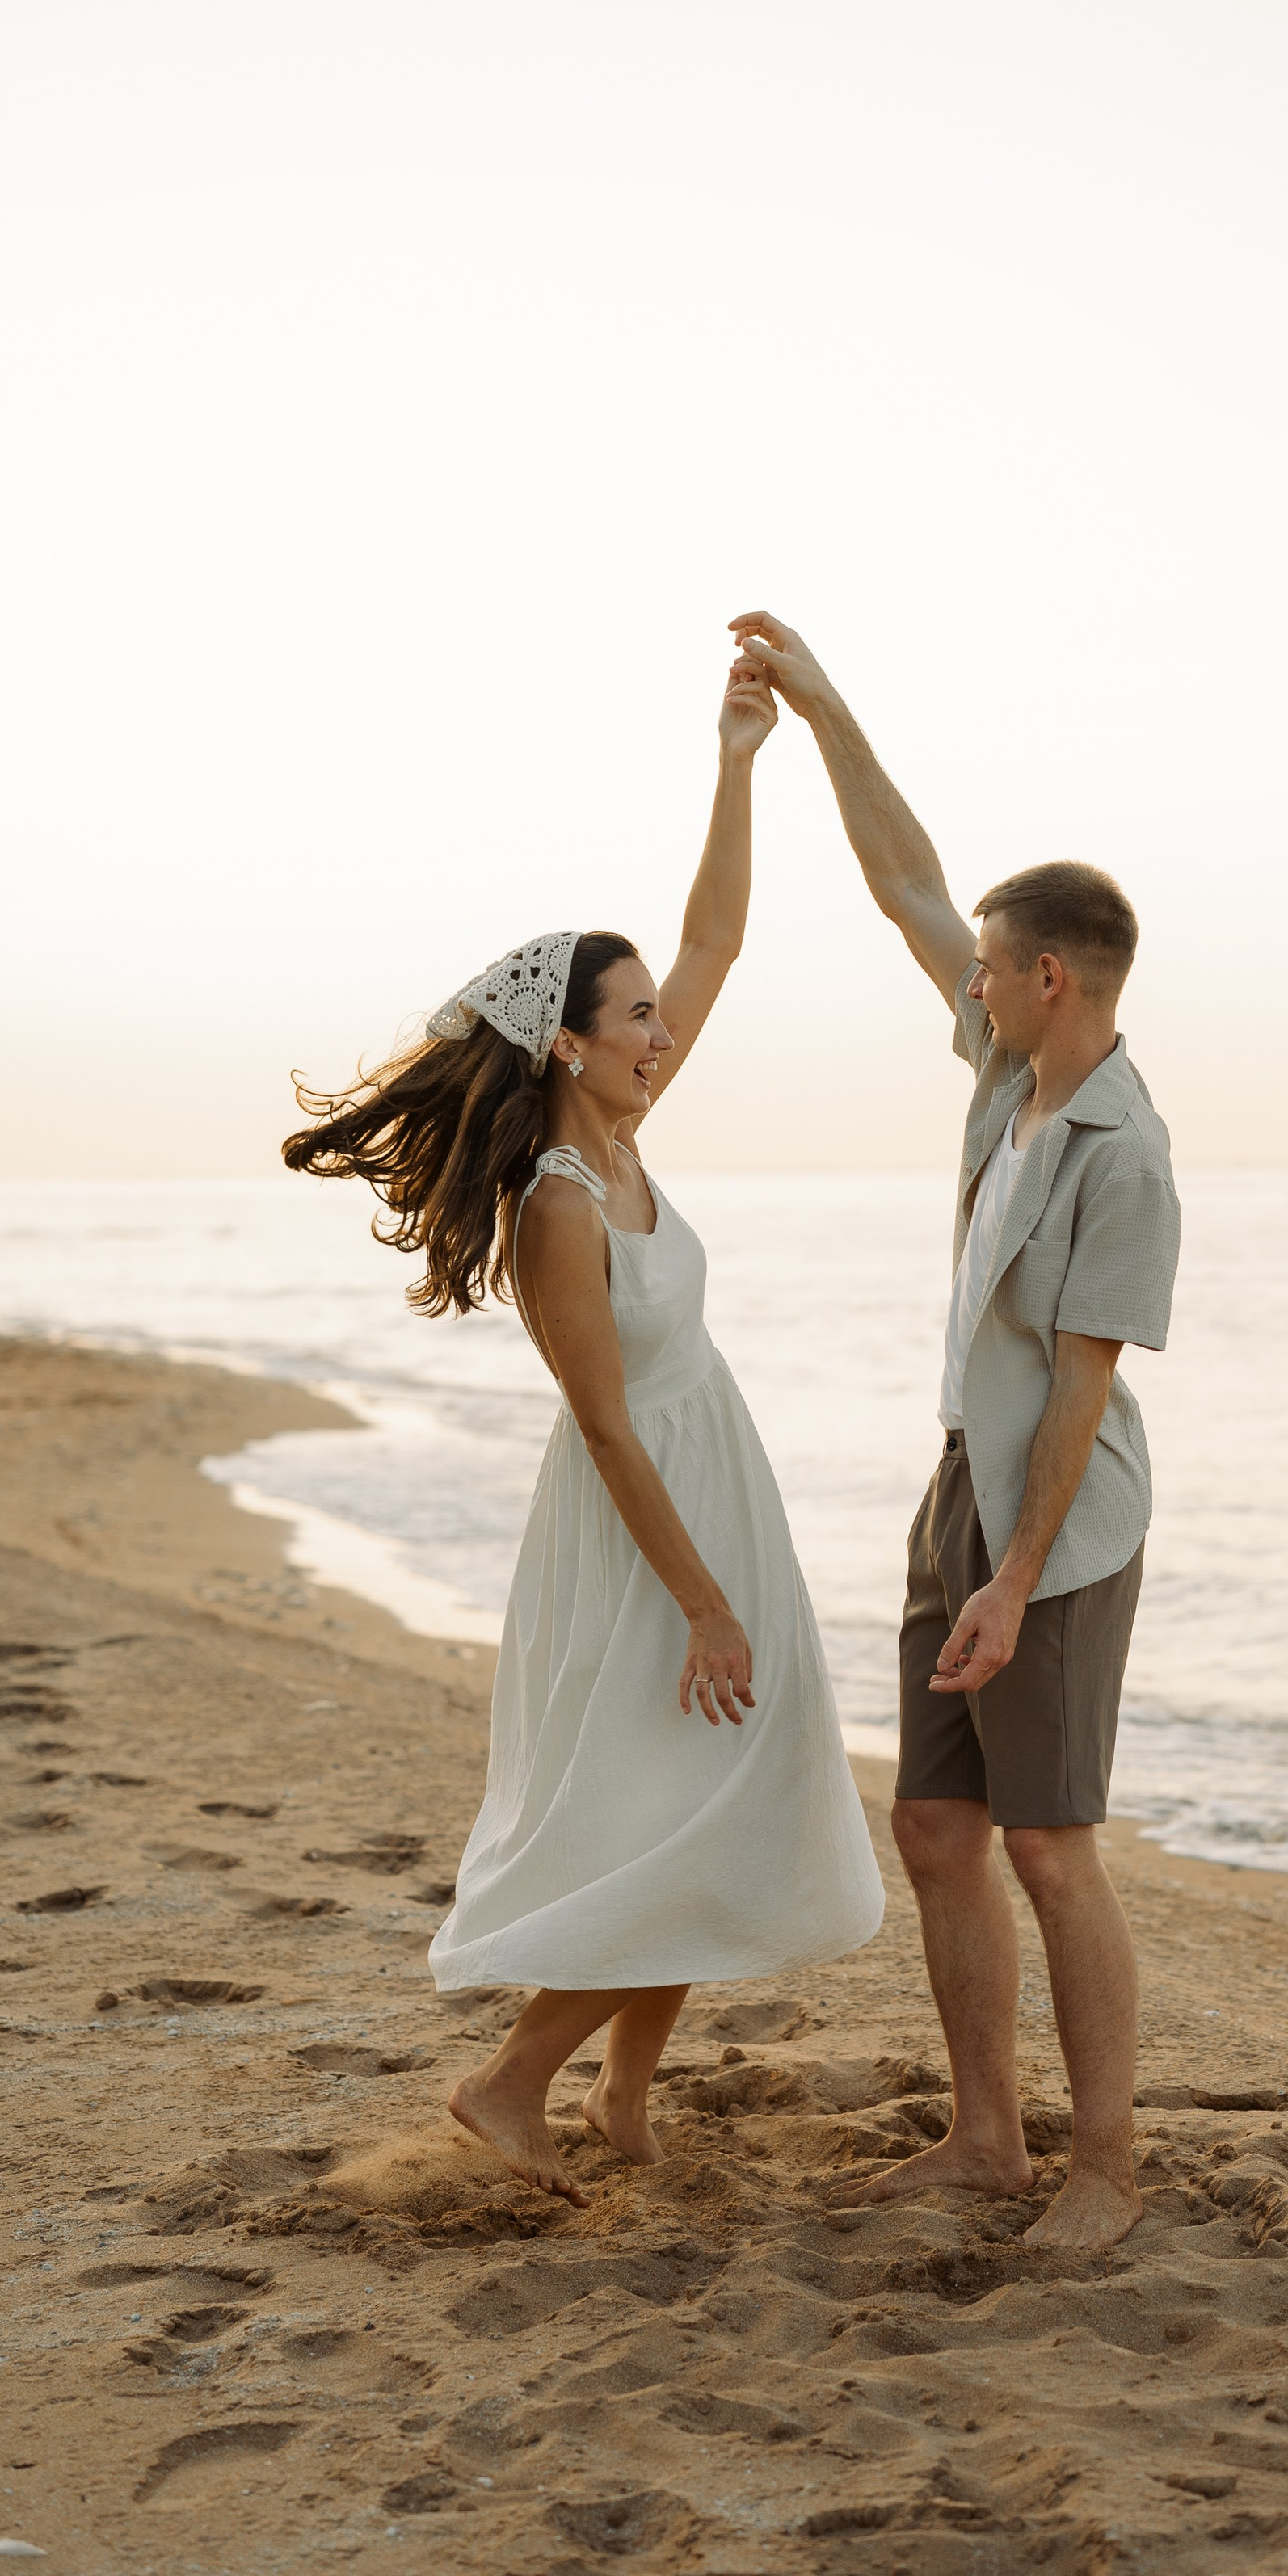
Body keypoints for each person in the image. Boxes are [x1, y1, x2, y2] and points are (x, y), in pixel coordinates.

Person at [281, 653, 883, 2204]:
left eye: (658, 1019)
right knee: (684, 1820)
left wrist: (740, 760)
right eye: (634, 1019)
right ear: (567, 1041)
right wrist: (703, 1603)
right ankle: (508, 2085)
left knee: (701, 1800)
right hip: (643, 1534)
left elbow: (716, 938)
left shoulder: (622, 1138)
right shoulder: (558, 1202)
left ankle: (620, 2098)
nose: (661, 1032)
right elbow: (608, 1430)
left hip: (711, 1489)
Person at [730, 611, 1180, 2250]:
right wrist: (823, 712)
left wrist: (1015, 1575)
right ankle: (986, 2140)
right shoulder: (1007, 1077)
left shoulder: (1125, 1157)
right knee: (935, 1828)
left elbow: (1079, 1391)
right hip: (959, 1489)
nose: (966, 978)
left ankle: (1103, 2167)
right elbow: (909, 886)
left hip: (1056, 1520)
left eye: (990, 965)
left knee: (1051, 1849)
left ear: (1050, 978)